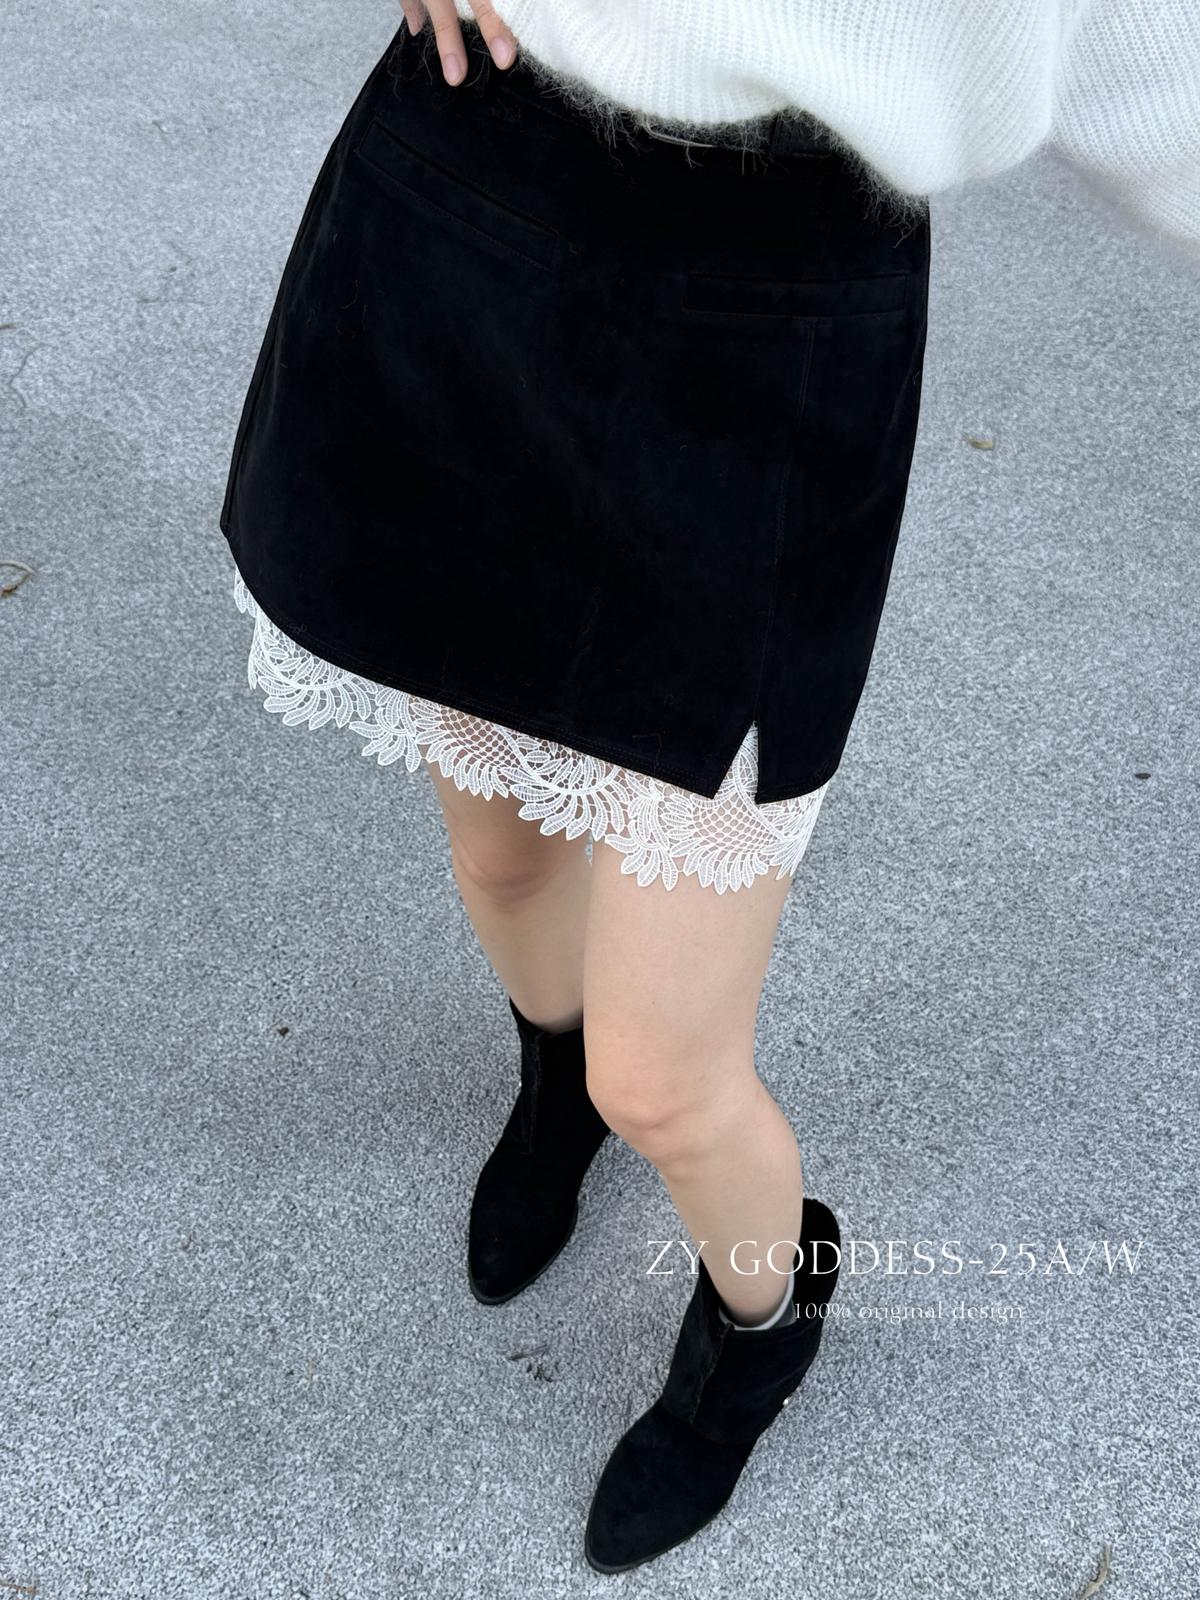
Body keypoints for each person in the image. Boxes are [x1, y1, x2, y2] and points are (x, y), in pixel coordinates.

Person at [219, 0, 1198, 1573]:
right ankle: (550, 1088)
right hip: (475, 186)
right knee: (504, 862)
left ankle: (763, 1321)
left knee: (665, 1079)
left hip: (772, 317)